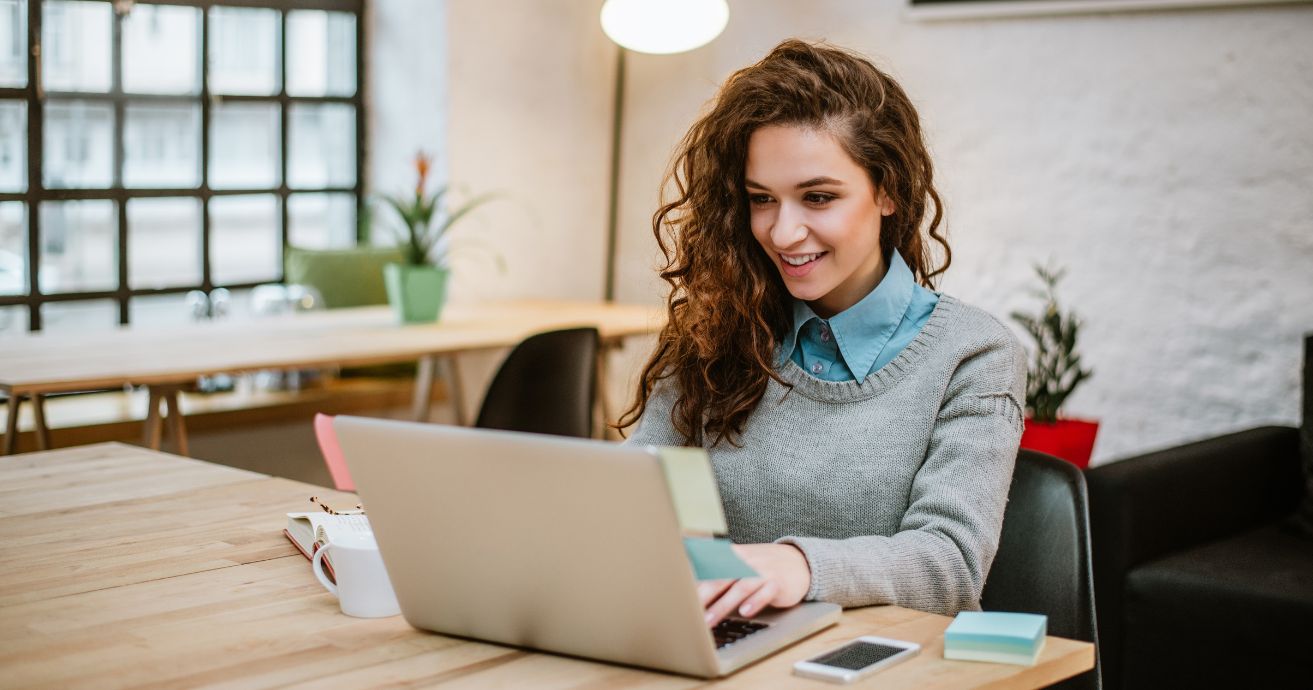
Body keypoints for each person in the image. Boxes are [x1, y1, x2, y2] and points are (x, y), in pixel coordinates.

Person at [617, 39, 1027, 626]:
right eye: (762, 200)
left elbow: (949, 563)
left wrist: (797, 567)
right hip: (728, 653)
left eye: (818, 197)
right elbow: (640, 494)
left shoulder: (974, 355)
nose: (784, 233)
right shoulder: (719, 331)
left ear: (888, 190)